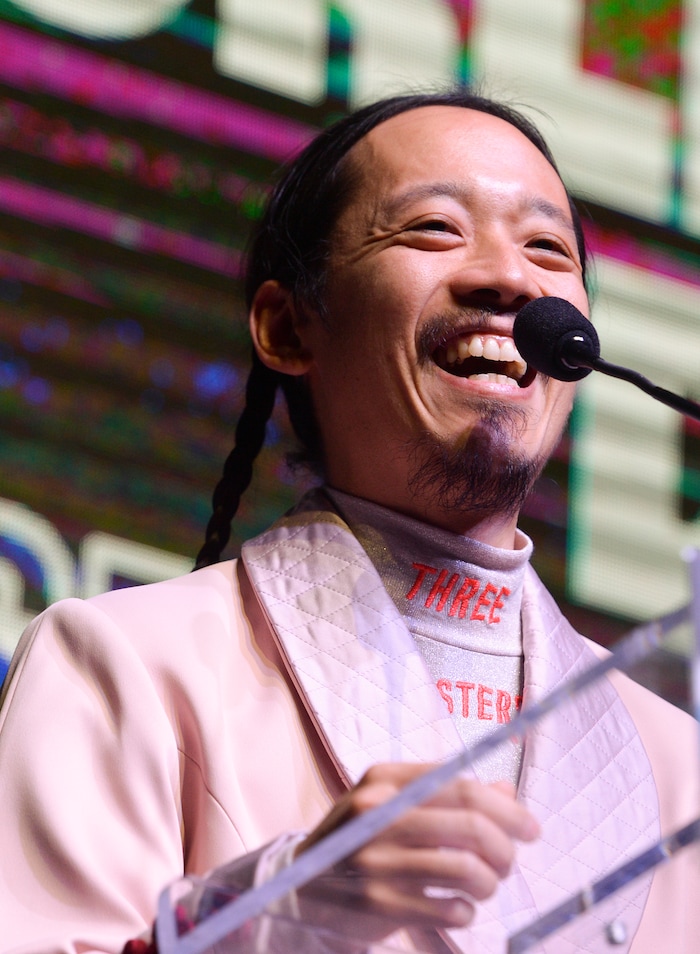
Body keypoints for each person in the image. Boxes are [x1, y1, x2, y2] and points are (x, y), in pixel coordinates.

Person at [0, 89, 698, 954]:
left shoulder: (679, 762)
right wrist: (275, 913)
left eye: (547, 248)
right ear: (289, 327)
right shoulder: (124, 663)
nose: (511, 278)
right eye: (434, 229)